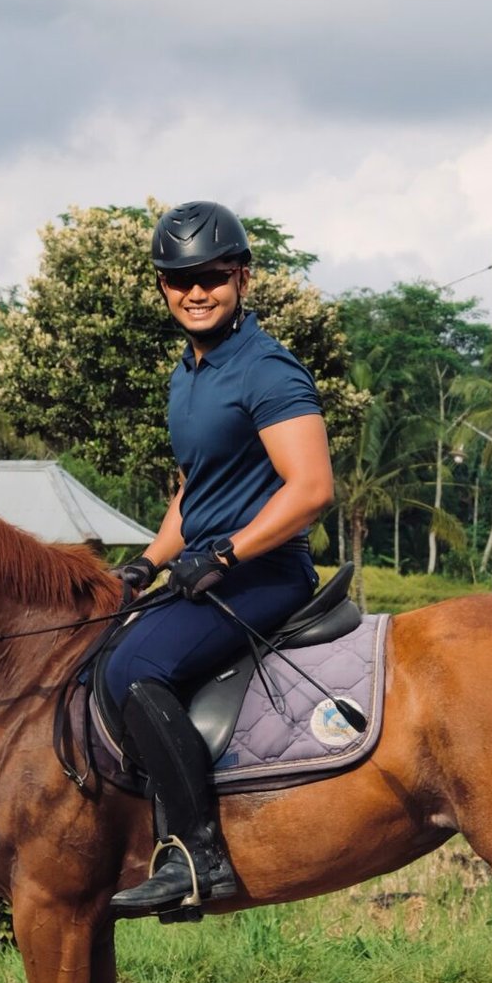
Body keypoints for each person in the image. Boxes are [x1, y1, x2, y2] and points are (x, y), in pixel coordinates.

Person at [105, 201, 335, 915]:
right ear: (162, 286)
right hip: (207, 567)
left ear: (241, 277)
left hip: (266, 573)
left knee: (136, 667)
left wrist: (228, 553)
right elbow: (194, 493)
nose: (195, 291)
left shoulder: (266, 370)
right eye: (179, 279)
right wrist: (144, 564)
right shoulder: (189, 372)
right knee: (108, 647)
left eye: (210, 275)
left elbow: (312, 488)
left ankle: (200, 856)